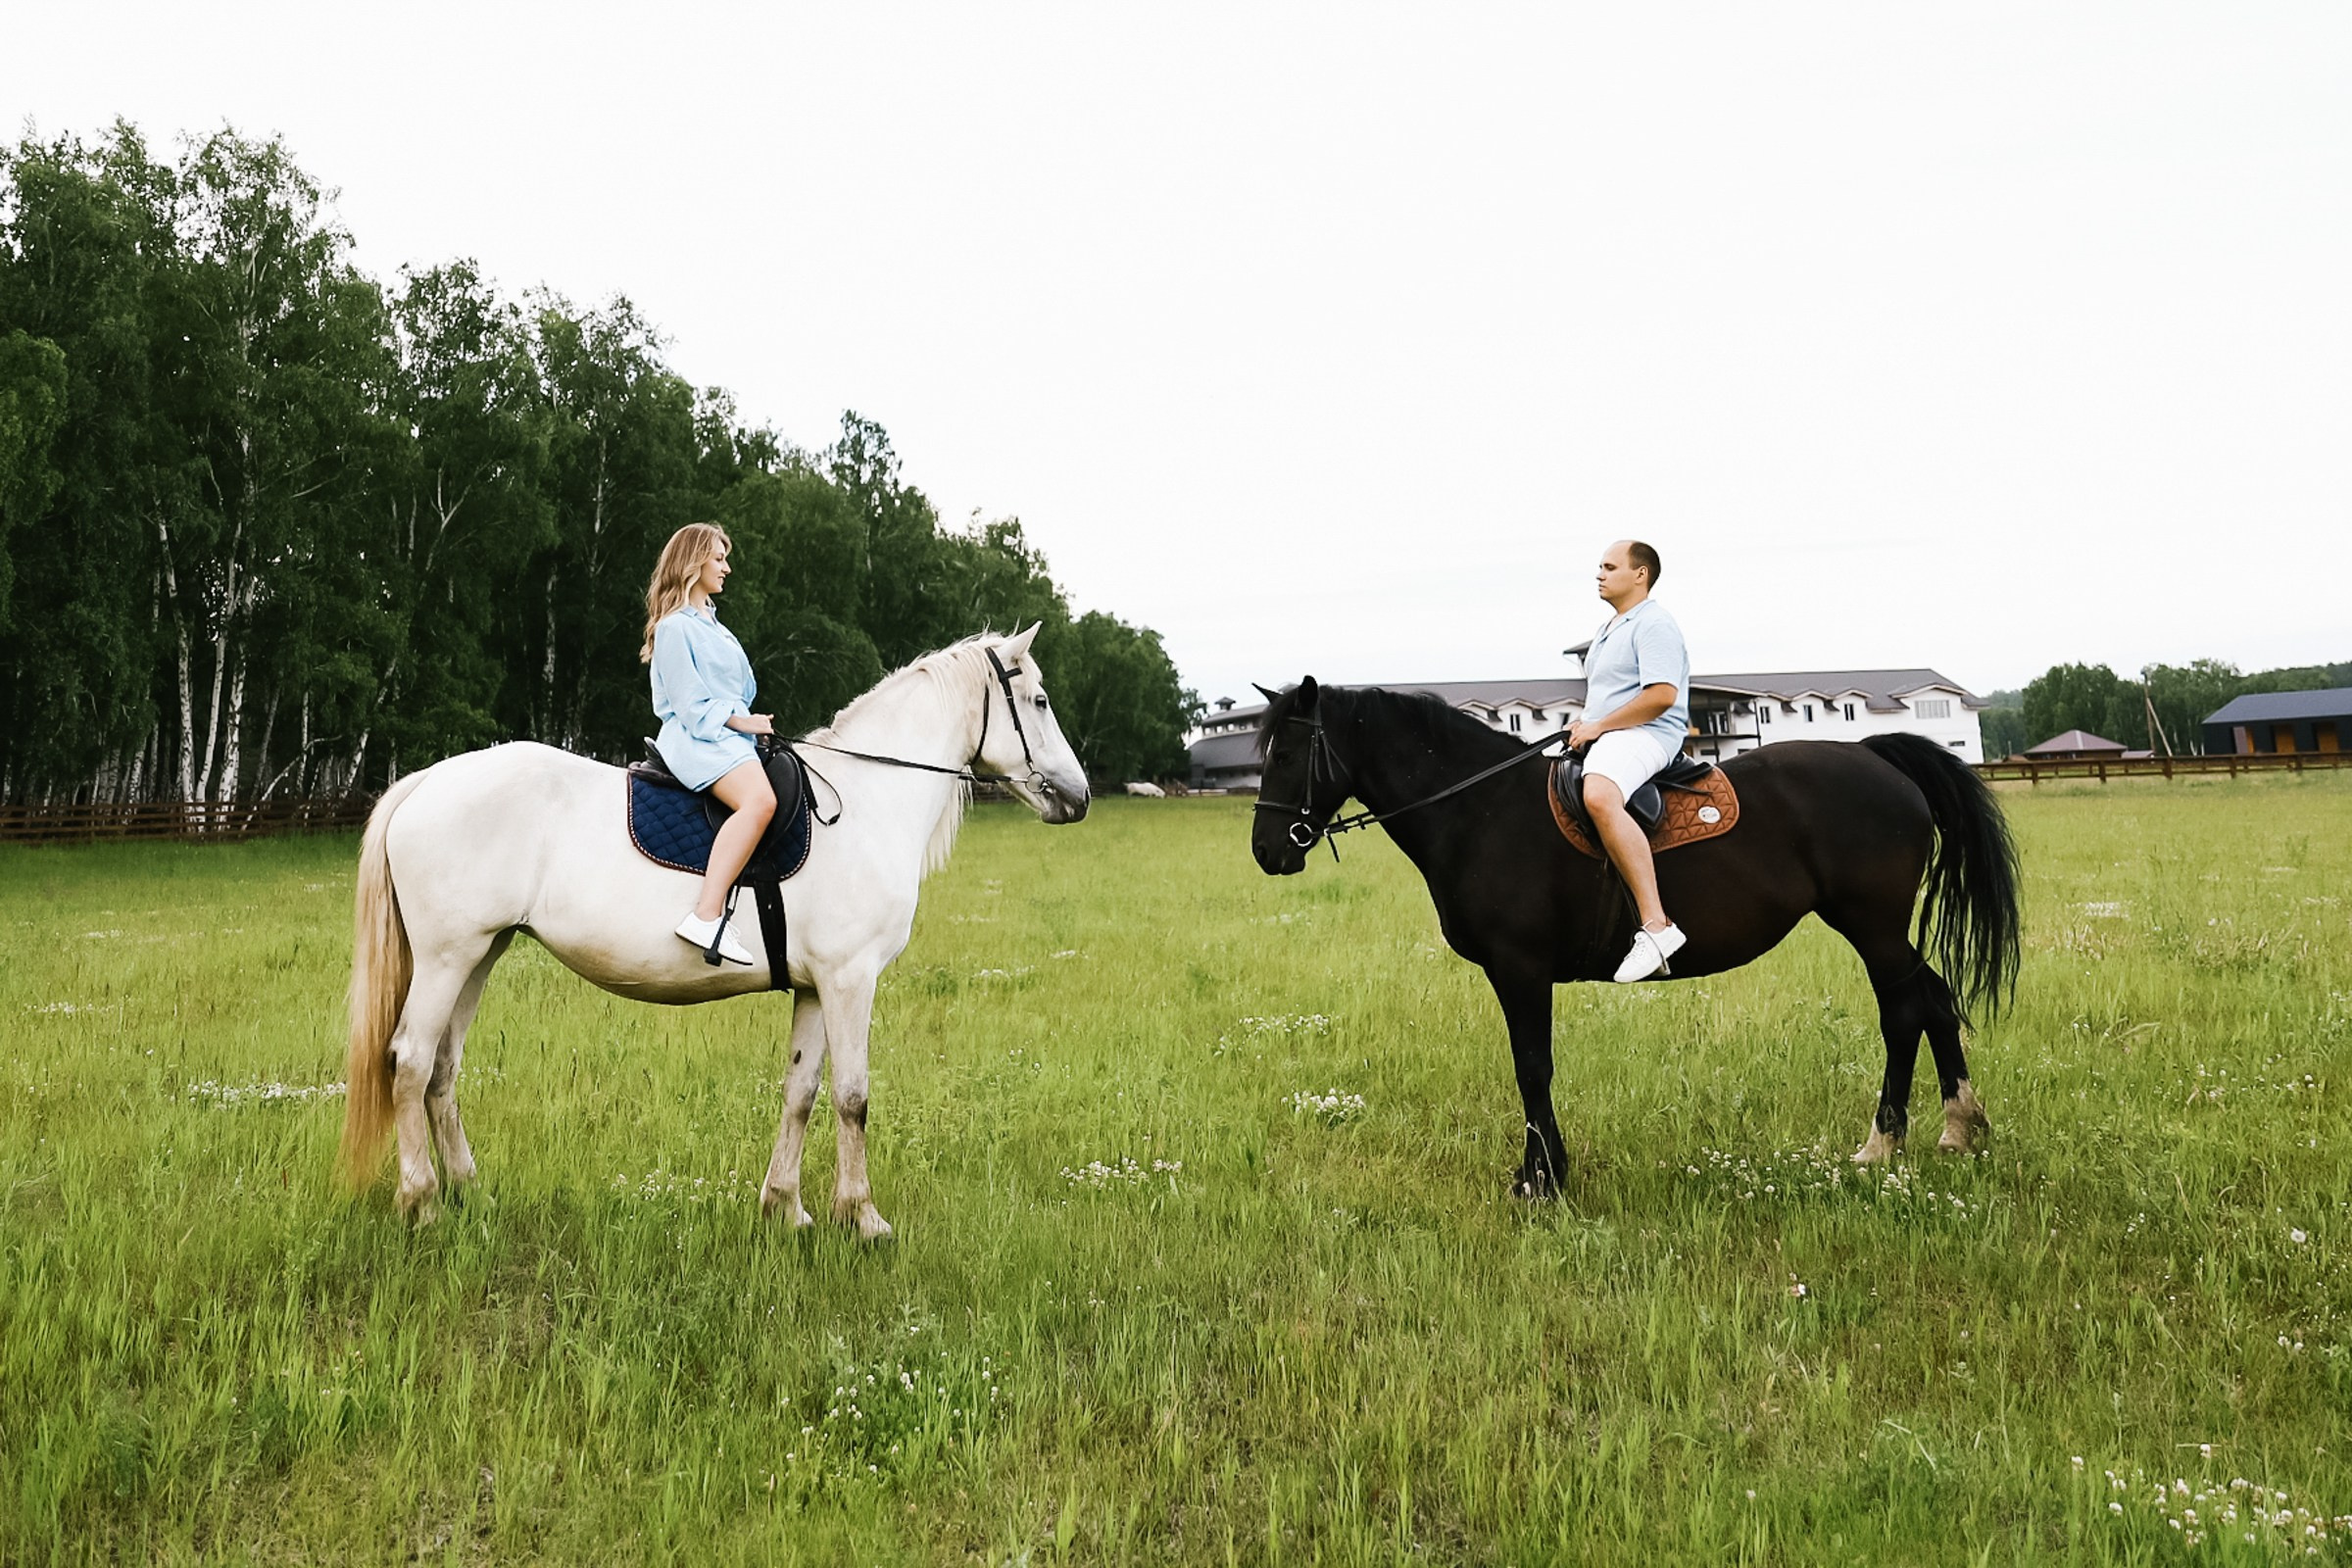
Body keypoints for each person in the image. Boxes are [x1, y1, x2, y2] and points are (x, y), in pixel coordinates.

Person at [642, 523, 776, 966]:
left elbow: (740, 689)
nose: (727, 567)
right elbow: (691, 706)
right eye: (718, 559)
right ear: (693, 561)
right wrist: (744, 721)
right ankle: (706, 914)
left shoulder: (715, 626)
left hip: (729, 735)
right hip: (697, 737)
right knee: (759, 801)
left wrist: (747, 723)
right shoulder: (675, 628)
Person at [1564, 539, 1690, 983]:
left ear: (1641, 574)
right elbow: (1608, 696)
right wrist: (1586, 723)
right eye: (1599, 566)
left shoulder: (1653, 624)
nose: (1599, 574)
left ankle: (1657, 927)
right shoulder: (1610, 627)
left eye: (1610, 566)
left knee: (1598, 794)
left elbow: (1661, 696)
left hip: (1650, 734)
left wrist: (1599, 728)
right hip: (1614, 732)